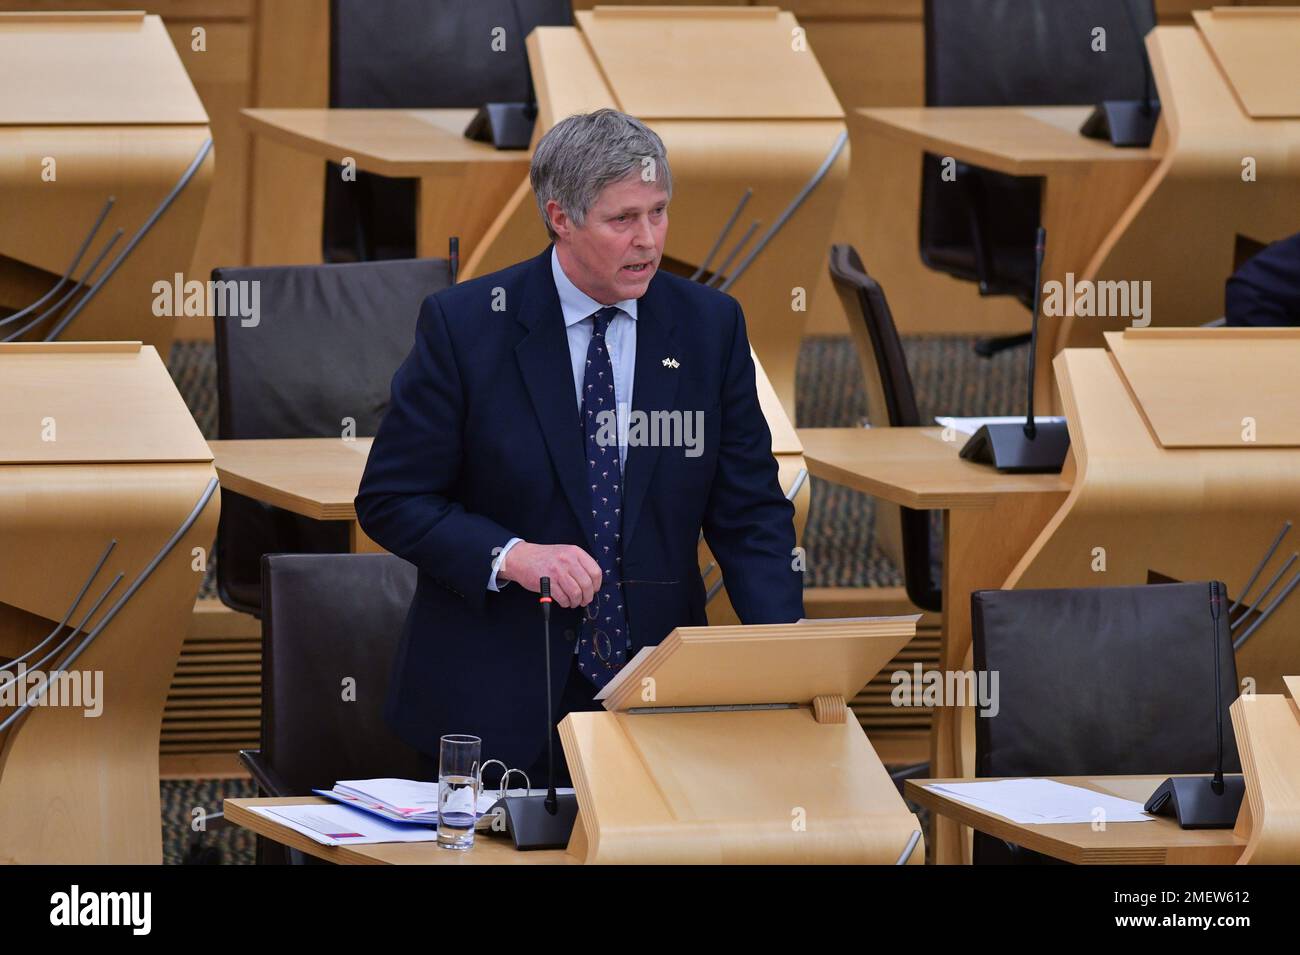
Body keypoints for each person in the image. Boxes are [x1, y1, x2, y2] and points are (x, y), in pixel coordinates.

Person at [355, 108, 803, 786]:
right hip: (495, 695)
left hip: (653, 692)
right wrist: (511, 555)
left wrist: (786, 661)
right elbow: (391, 498)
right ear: (560, 217)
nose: (648, 240)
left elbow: (750, 515)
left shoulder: (709, 326)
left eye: (659, 212)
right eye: (623, 219)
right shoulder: (468, 325)